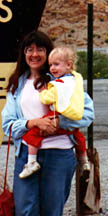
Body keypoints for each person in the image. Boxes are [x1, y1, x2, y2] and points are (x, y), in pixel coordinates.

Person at [1, 30, 94, 216]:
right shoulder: (17, 85)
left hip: (59, 155)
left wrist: (59, 122)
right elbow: (7, 124)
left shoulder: (65, 81)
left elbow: (87, 114)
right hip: (27, 155)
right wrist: (33, 123)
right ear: (23, 54)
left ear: (48, 53)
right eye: (29, 50)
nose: (34, 54)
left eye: (40, 49)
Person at [19, 46, 90, 179]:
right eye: (51, 65)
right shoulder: (75, 80)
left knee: (32, 134)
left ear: (68, 65)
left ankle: (31, 162)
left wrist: (43, 92)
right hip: (69, 116)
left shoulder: (58, 84)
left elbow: (47, 99)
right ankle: (84, 160)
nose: (52, 68)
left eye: (56, 64)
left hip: (56, 115)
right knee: (78, 136)